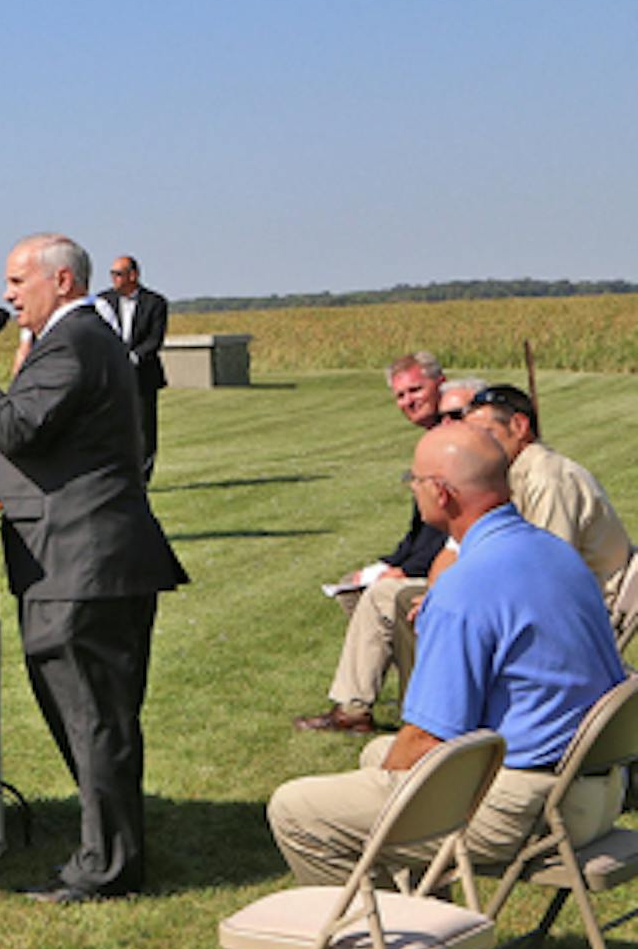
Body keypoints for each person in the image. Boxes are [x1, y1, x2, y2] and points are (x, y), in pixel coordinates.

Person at [0, 233, 187, 902]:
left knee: (94, 718)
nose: (7, 295)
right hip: (75, 562)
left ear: (62, 281)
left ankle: (108, 868)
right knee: (88, 717)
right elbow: (54, 449)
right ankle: (108, 849)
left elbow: (19, 428)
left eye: (18, 281)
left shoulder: (74, 342)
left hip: (84, 564)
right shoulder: (76, 342)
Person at [267, 422, 624, 891]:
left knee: (297, 810)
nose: (413, 490)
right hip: (593, 792)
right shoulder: (557, 554)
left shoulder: (466, 586)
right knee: (376, 756)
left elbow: (425, 739)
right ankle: (435, 935)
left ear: (441, 493)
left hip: (526, 809)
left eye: (413, 481)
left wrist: (397, 799)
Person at [294, 352, 458, 734]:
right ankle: (373, 699)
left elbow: (450, 532)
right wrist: (385, 563)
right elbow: (420, 531)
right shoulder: (433, 443)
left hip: (455, 571)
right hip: (433, 562)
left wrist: (404, 570)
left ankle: (357, 707)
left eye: (416, 389)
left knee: (380, 595)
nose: (409, 401)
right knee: (355, 590)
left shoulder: (453, 449)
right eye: (400, 395)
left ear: (440, 383)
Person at [462, 384, 632, 593]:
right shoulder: (508, 478)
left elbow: (546, 572)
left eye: (486, 434)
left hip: (601, 609)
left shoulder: (548, 479)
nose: (476, 447)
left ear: (519, 426)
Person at [95, 256, 169, 482]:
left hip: (142, 375)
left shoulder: (155, 303)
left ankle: (142, 478)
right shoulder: (102, 302)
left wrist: (131, 358)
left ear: (133, 275)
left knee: (144, 429)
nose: (114, 279)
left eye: (118, 274)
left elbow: (154, 340)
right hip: (110, 376)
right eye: (112, 274)